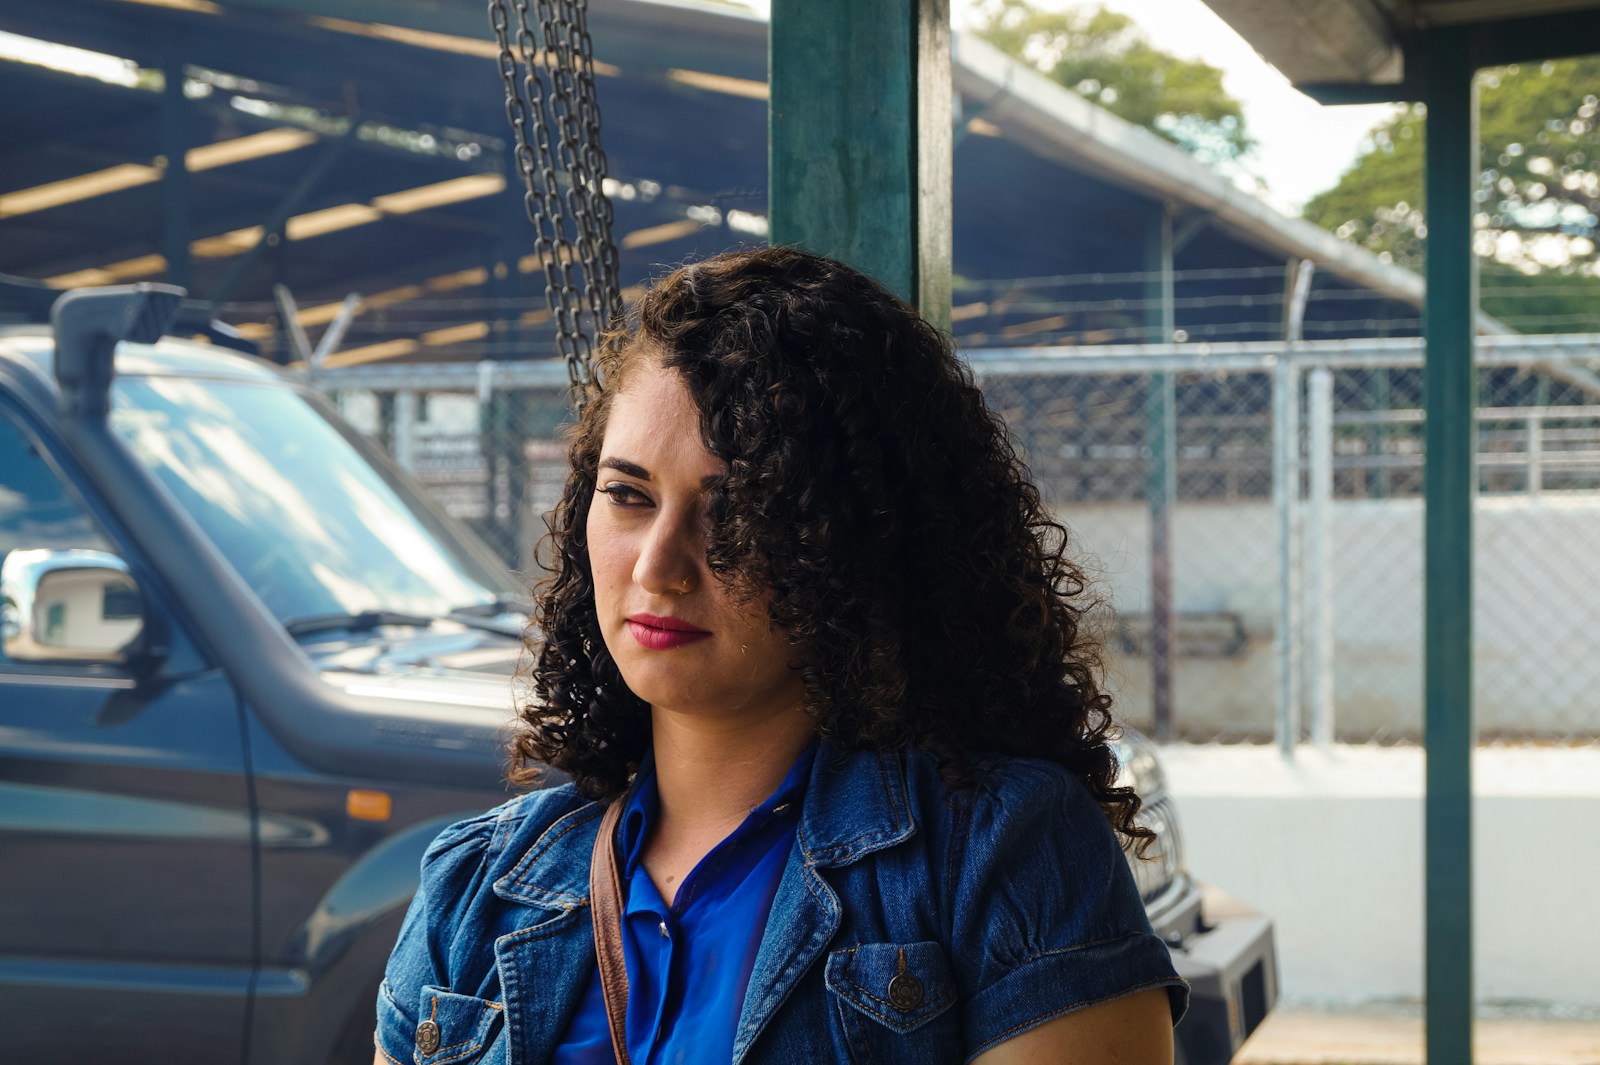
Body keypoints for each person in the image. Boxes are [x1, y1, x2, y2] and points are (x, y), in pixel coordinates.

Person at [374, 246, 1188, 1065]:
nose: (659, 565)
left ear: (860, 537)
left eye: (736, 507)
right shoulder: (474, 886)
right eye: (629, 495)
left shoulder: (1000, 853)